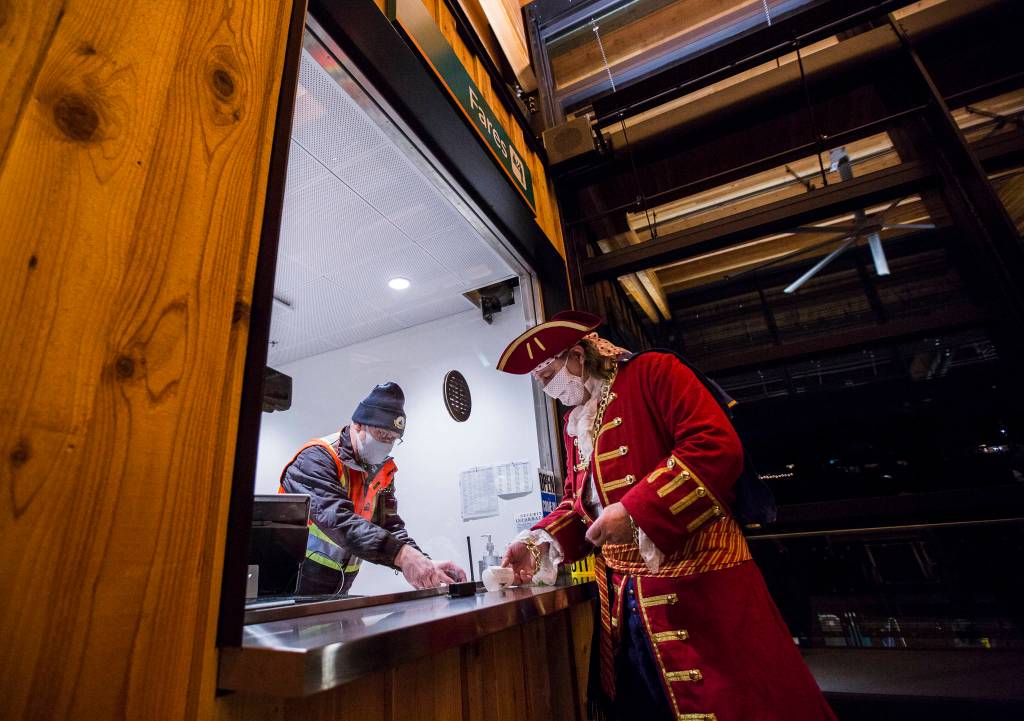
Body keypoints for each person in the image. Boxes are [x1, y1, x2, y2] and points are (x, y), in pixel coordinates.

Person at [498, 311, 835, 721]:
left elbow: (713, 446)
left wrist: (638, 511)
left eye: (549, 375)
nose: (550, 388)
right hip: (630, 601)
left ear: (578, 355)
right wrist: (536, 544)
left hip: (702, 589)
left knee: (741, 704)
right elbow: (578, 504)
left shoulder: (654, 372)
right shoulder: (576, 423)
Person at [280, 382, 466, 595]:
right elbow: (339, 521)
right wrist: (403, 556)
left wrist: (425, 564)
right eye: (382, 435)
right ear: (358, 425)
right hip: (292, 584)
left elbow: (390, 525)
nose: (387, 444)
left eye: (393, 439)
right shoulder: (315, 459)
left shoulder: (380, 471)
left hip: (337, 589)